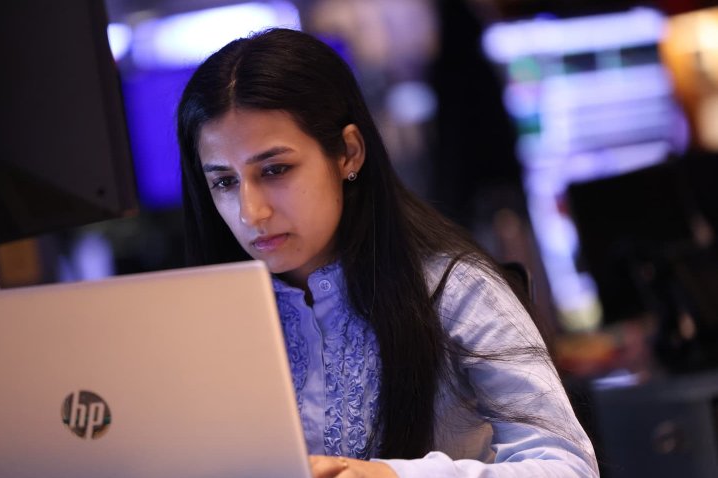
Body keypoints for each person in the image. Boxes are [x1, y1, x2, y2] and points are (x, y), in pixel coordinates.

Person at [177, 28, 599, 478]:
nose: (251, 212)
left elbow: (568, 466)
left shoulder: (451, 286)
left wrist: (393, 476)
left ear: (349, 153)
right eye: (224, 181)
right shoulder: (209, 318)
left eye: (275, 169)